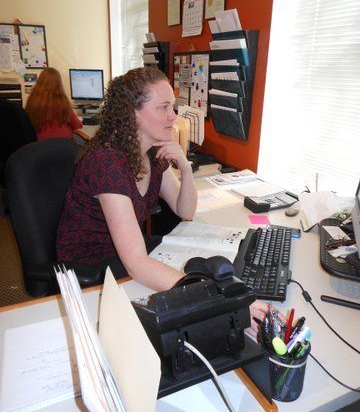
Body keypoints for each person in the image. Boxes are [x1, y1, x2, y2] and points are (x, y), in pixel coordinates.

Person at [57, 67, 267, 338]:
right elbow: (136, 263)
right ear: (133, 113)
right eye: (163, 108)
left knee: (204, 269)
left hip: (128, 256)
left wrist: (186, 169)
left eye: (173, 107)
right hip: (92, 268)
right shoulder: (107, 163)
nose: (173, 117)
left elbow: (185, 211)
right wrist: (216, 302)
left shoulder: (153, 152)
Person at [25, 67, 82, 140]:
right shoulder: (62, 102)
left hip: (40, 146)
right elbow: (77, 125)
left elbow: (28, 124)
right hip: (64, 145)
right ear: (59, 84)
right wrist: (79, 120)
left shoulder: (32, 100)